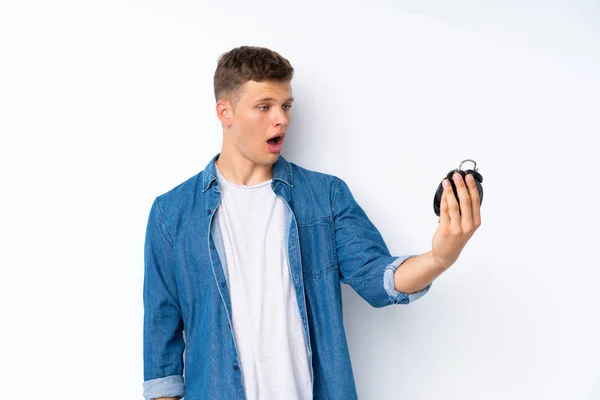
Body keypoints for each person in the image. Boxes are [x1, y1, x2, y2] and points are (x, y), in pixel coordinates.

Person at [142, 45, 482, 400]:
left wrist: (440, 257)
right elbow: (160, 354)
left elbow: (379, 280)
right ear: (224, 111)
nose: (282, 119)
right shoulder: (172, 213)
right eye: (264, 107)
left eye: (286, 106)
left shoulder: (326, 196)